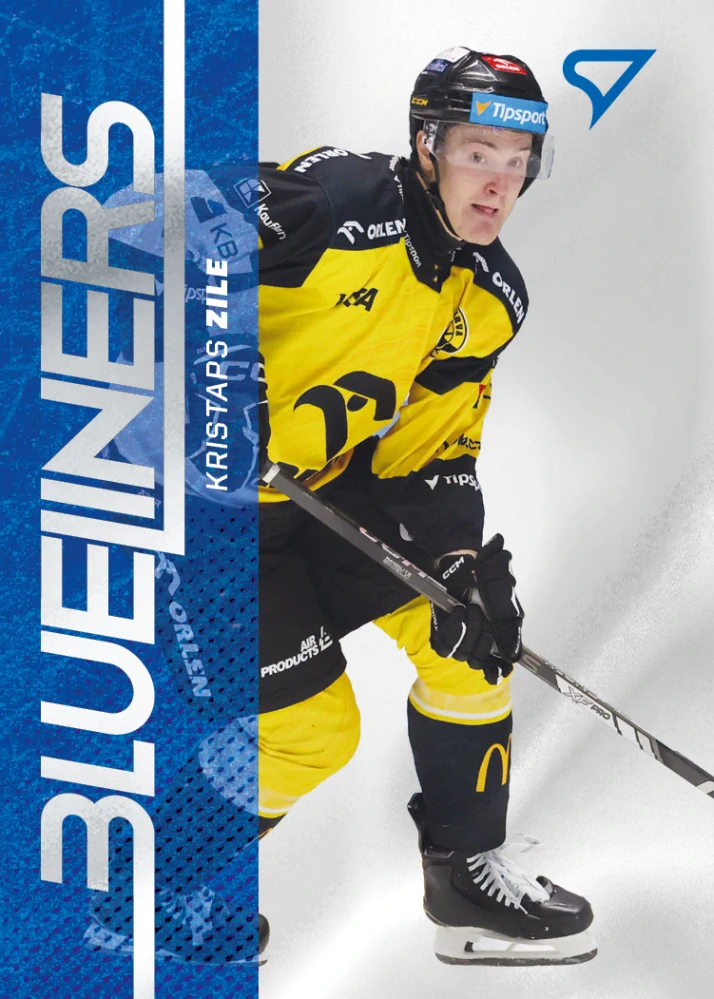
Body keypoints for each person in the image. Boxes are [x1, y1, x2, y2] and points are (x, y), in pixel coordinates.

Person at [86, 46, 595, 969]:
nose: (500, 184)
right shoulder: (344, 202)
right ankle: (133, 899)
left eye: (520, 162)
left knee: (469, 644)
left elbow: (433, 449)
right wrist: (210, 373)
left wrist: (456, 563)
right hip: (196, 516)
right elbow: (136, 215)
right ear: (427, 146)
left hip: (315, 489)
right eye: (479, 154)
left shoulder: (489, 296)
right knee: (310, 732)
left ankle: (464, 884)